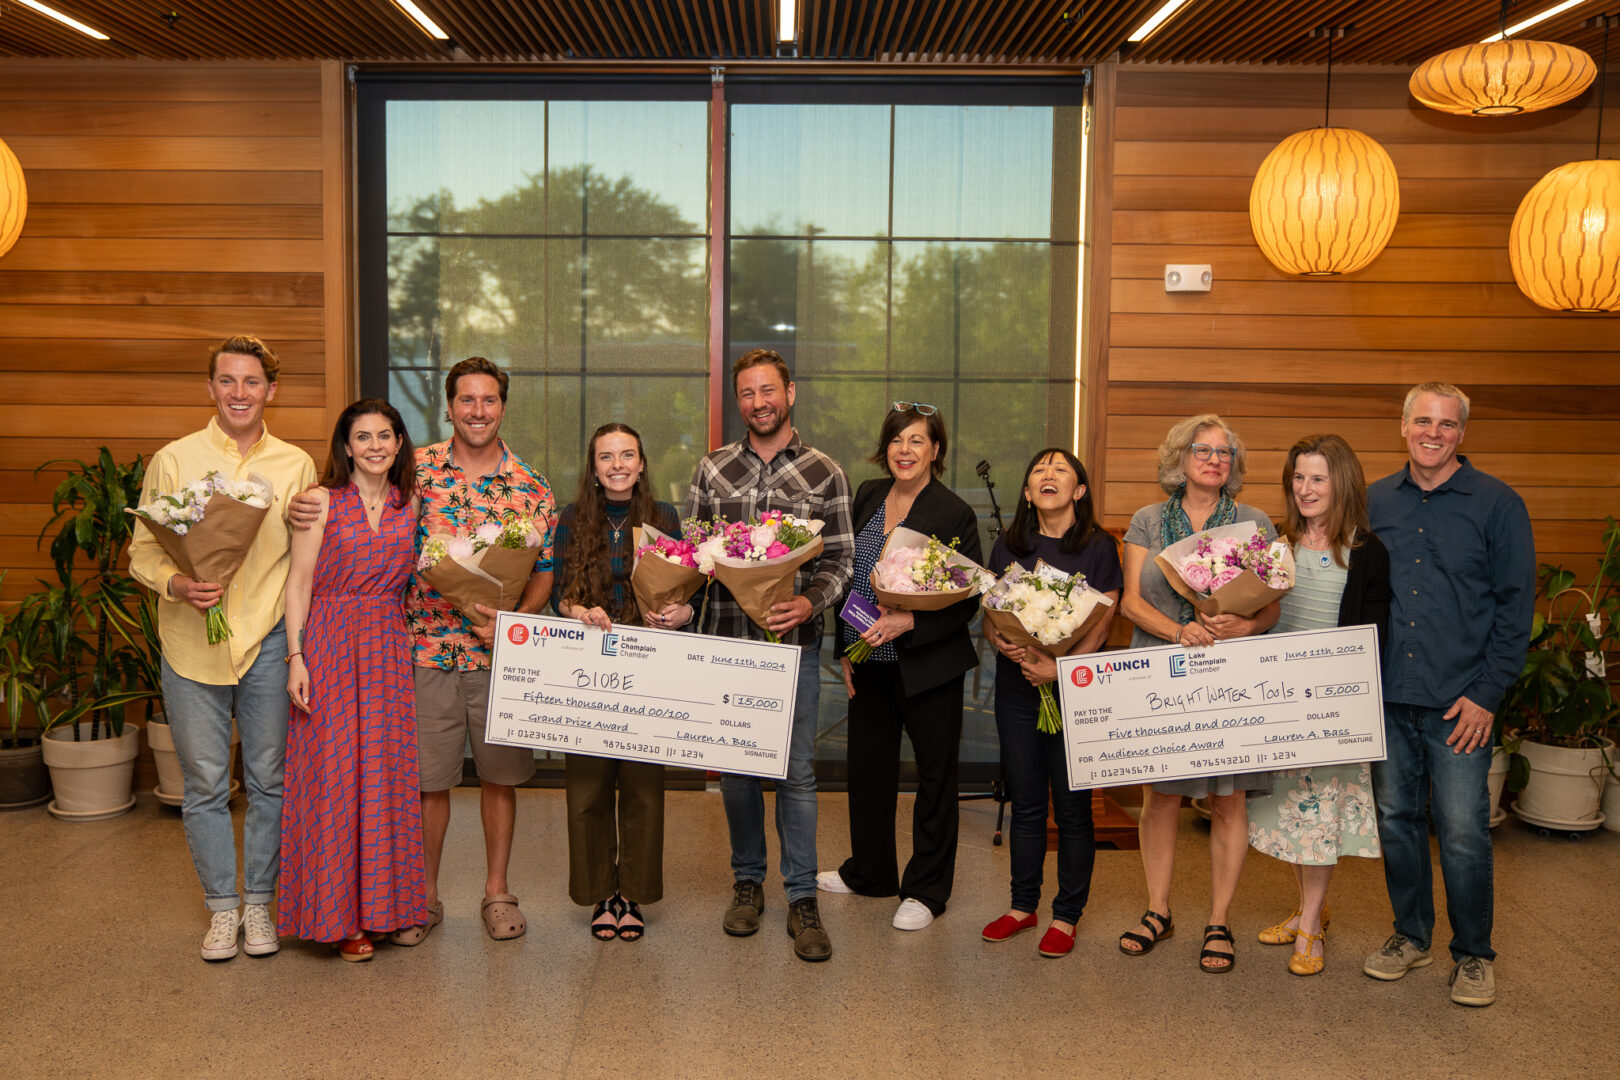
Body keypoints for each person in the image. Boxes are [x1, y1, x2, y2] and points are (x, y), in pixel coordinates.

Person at [289, 356, 555, 943]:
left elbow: (545, 572)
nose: (477, 411)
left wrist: (516, 621)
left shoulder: (532, 485)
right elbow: (356, 507)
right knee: (425, 784)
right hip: (419, 653)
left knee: (499, 779)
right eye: (466, 400)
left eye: (488, 400)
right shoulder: (418, 473)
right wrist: (301, 506)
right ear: (449, 406)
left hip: (498, 659)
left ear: (503, 407)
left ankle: (496, 892)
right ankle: (419, 898)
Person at [129, 335, 317, 962]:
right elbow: (143, 552)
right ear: (210, 388)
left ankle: (259, 904)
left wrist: (296, 649)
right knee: (206, 785)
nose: (241, 393)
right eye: (228, 381)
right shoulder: (173, 459)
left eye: (252, 382)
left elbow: (303, 565)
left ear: (271, 389)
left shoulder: (295, 465)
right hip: (190, 646)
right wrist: (178, 583)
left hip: (264, 642)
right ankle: (220, 909)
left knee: (270, 781)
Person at [1363, 382, 1534, 1008]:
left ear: (1463, 433)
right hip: (1386, 698)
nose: (1433, 433)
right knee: (1396, 823)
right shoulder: (1375, 501)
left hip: (1461, 703)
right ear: (1403, 426)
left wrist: (1487, 695)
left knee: (1463, 830)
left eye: (1448, 424)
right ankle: (1411, 936)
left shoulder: (1498, 505)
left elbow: (1517, 610)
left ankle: (1473, 954)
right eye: (1423, 421)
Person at [685, 348, 854, 962]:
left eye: (768, 391)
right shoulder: (713, 469)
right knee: (735, 770)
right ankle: (747, 882)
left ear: (790, 393)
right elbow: (697, 552)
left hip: (795, 646)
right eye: (748, 394)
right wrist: (682, 608)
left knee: (796, 773)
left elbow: (839, 559)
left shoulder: (824, 471)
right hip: (729, 643)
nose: (759, 402)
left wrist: (809, 605)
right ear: (740, 402)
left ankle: (802, 896)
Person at [1115, 413, 1279, 973]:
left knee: (1227, 798)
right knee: (1160, 796)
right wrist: (1178, 629)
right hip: (1164, 670)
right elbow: (1131, 603)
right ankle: (1158, 910)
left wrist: (1248, 626)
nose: (1214, 459)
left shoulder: (1256, 522)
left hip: (1232, 674)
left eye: (1224, 452)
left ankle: (1219, 920)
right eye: (1202, 450)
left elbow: (1273, 603)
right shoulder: (1148, 520)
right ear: (1179, 459)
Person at [816, 403, 982, 932]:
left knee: (935, 778)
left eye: (917, 440)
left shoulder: (955, 512)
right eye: (896, 440)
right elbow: (848, 576)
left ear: (936, 450)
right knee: (868, 771)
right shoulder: (866, 495)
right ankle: (870, 871)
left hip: (928, 666)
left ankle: (927, 889)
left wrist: (910, 622)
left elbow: (967, 597)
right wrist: (846, 648)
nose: (904, 450)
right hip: (870, 662)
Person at [279, 400, 431, 961]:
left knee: (384, 777)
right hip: (330, 643)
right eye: (361, 437)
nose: (373, 446)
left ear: (398, 444)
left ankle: (384, 908)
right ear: (346, 447)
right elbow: (298, 583)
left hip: (387, 647)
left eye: (384, 436)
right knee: (335, 777)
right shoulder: (320, 502)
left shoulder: (410, 503)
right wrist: (296, 656)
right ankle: (341, 918)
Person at [1246, 435, 1389, 977]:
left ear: (1342, 483)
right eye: (1298, 478)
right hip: (1280, 704)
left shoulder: (1366, 549)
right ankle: (1313, 909)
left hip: (1333, 708)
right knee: (1292, 818)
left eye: (1318, 479)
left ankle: (1309, 929)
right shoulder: (1275, 544)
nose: (1305, 489)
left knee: (1321, 817)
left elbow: (1375, 634)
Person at [552, 423, 692, 943]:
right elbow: (558, 596)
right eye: (606, 457)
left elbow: (682, 587)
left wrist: (683, 612)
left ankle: (631, 894)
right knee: (586, 788)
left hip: (646, 664)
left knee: (642, 787)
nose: (616, 465)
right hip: (585, 666)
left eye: (626, 455)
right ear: (593, 467)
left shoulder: (664, 517)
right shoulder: (571, 519)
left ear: (641, 463)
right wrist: (578, 609)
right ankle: (598, 895)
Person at [979, 448, 1121, 958]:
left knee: (1073, 807)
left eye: (1061, 469)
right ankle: (1022, 906)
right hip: (1018, 689)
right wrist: (1006, 643)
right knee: (1027, 803)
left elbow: (1102, 619)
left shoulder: (1099, 547)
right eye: (1039, 468)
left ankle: (1066, 916)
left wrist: (1058, 667)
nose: (1048, 474)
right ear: (1026, 490)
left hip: (1075, 691)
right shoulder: (1009, 545)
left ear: (1079, 491)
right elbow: (993, 612)